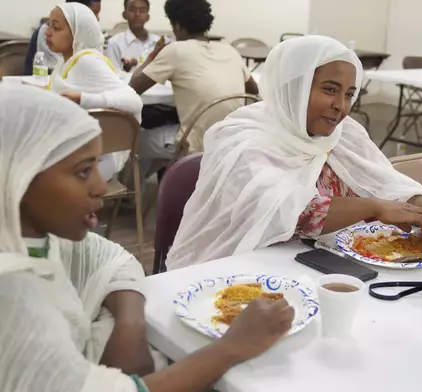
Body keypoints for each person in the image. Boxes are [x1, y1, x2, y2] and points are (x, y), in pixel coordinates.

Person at [0, 83, 295, 392]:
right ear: (16, 176)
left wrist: (130, 324)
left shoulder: (32, 236)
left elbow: (112, 258)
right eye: (83, 172)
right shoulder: (13, 302)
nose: (102, 187)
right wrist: (232, 347)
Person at [165, 35, 422, 270]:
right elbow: (288, 210)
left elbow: (382, 179)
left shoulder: (345, 133)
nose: (341, 105)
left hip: (323, 268)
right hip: (242, 273)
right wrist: (374, 207)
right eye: (330, 90)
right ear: (294, 88)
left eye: (350, 94)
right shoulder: (243, 141)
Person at [129, 0, 259, 157]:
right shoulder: (229, 50)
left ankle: (150, 180)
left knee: (137, 140)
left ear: (177, 25)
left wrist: (152, 57)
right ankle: (172, 176)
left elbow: (132, 88)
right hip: (231, 140)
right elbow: (253, 91)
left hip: (195, 144)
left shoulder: (175, 50)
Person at [45, 2, 143, 181]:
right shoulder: (65, 62)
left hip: (100, 157)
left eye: (56, 27)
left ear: (77, 33)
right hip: (80, 149)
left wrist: (83, 98)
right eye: (48, 24)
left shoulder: (87, 62)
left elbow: (134, 101)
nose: (47, 32)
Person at [24, 0, 101, 75]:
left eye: (55, 27)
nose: (97, 18)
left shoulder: (94, 65)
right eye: (94, 13)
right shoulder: (61, 66)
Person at [105, 0, 160, 72]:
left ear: (148, 16)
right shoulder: (114, 43)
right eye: (132, 10)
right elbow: (112, 75)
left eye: (142, 11)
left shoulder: (158, 43)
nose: (137, 14)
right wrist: (124, 70)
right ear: (124, 14)